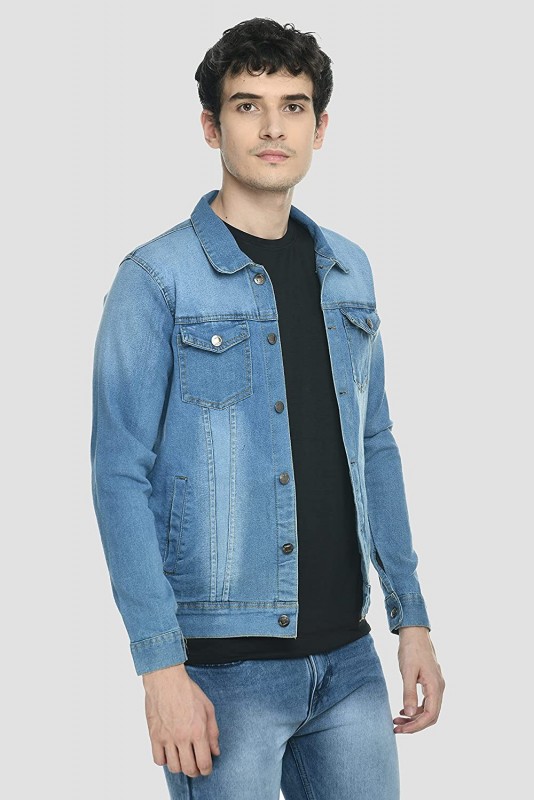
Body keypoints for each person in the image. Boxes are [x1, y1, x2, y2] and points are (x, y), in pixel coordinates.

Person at [91, 17, 445, 800]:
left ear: (320, 128)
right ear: (211, 126)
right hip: (222, 672)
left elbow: (375, 445)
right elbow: (118, 474)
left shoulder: (349, 270)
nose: (273, 127)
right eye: (248, 106)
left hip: (350, 664)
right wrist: (160, 666)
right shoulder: (156, 279)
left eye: (293, 106)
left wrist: (410, 617)